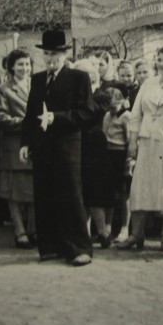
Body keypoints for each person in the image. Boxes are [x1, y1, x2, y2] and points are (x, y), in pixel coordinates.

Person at [20, 30, 95, 267]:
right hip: (43, 148)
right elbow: (30, 115)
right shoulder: (38, 79)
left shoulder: (78, 78)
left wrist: (57, 118)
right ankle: (50, 246)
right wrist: (25, 143)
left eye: (55, 53)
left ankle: (79, 248)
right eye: (47, 53)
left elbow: (87, 113)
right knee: (44, 194)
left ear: (64, 54)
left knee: (70, 196)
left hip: (67, 147)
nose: (50, 57)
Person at [118, 46, 163, 251]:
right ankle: (136, 234)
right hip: (147, 141)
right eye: (159, 60)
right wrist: (132, 141)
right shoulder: (148, 83)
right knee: (140, 187)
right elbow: (136, 113)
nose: (162, 64)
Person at [0, 49, 35, 249]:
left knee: (34, 189)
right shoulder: (4, 89)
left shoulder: (38, 85)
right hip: (14, 145)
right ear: (12, 67)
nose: (24, 68)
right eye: (20, 64)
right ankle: (20, 232)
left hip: (35, 145)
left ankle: (33, 230)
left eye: (27, 64)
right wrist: (27, 122)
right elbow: (1, 118)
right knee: (14, 192)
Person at [74, 59, 114, 248]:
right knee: (81, 192)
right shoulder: (77, 96)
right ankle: (85, 232)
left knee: (95, 192)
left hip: (94, 147)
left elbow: (88, 113)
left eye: (89, 75)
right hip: (78, 145)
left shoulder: (101, 95)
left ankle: (103, 232)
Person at [102, 87, 133, 243]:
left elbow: (130, 141)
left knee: (124, 193)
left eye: (114, 106)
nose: (111, 109)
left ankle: (125, 227)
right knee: (109, 192)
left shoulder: (126, 116)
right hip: (108, 155)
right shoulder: (107, 115)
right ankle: (107, 226)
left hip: (121, 155)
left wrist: (129, 161)